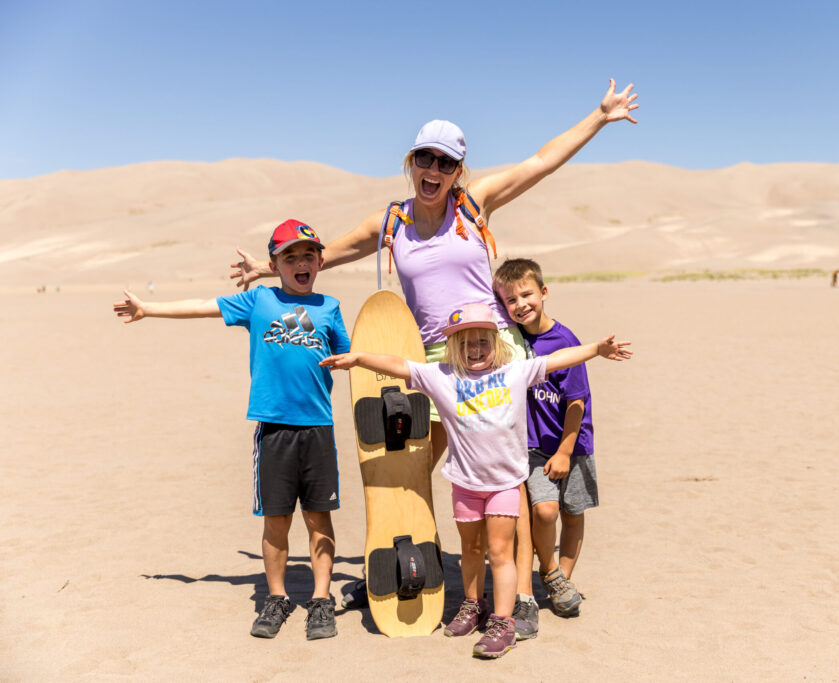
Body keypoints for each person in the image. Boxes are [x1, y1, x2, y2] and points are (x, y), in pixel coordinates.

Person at [230, 77, 639, 631]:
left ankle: (515, 598)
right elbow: (325, 255)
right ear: (411, 160)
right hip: (430, 360)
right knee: (412, 468)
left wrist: (600, 114)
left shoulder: (475, 206)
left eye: (446, 163)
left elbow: (541, 163)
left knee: (505, 476)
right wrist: (262, 269)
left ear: (458, 172)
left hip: (490, 355)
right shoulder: (391, 223)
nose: (434, 170)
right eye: (425, 157)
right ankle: (406, 571)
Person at [319, 303, 631, 658]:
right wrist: (358, 358)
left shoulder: (515, 372)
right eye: (467, 342)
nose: (476, 349)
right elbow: (400, 365)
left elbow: (559, 359)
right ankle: (472, 605)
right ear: (455, 347)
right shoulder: (443, 376)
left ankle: (502, 622)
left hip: (503, 485)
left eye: (483, 341)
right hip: (465, 484)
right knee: (471, 551)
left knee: (500, 553)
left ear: (495, 343)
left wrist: (596, 349)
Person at [113, 219, 351, 641]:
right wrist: (150, 309)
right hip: (274, 430)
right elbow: (204, 305)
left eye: (308, 255)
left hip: (318, 429)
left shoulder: (330, 308)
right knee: (276, 522)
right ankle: (276, 598)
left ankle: (320, 600)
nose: (301, 263)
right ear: (274, 264)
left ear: (319, 262)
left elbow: (351, 358)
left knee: (319, 520)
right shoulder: (257, 300)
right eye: (290, 256)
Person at [494, 257, 602, 619]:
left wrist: (566, 452)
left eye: (527, 295)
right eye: (510, 300)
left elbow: (576, 403)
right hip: (534, 447)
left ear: (543, 291)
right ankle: (551, 571)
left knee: (573, 514)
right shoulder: (510, 339)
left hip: (573, 443)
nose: (520, 305)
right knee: (544, 511)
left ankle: (560, 582)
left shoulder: (563, 340)